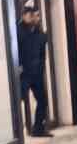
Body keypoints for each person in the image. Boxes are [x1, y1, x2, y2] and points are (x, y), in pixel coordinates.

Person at [18, 8, 52, 137]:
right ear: (25, 16)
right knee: (19, 99)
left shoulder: (39, 33)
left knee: (42, 100)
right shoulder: (18, 31)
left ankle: (38, 128)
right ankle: (17, 131)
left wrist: (41, 68)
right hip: (24, 73)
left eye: (37, 16)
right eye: (33, 15)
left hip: (36, 72)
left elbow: (42, 53)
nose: (36, 18)